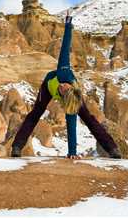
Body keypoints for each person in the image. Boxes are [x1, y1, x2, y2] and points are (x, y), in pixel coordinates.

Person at [11, 12, 121, 159]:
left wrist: (72, 153)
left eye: (64, 89)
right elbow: (65, 48)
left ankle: (112, 149)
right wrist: (68, 24)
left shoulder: (71, 103)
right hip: (48, 85)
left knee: (88, 119)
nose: (63, 86)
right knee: (35, 113)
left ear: (64, 98)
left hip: (70, 99)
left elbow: (71, 126)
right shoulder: (64, 75)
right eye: (66, 87)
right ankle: (17, 146)